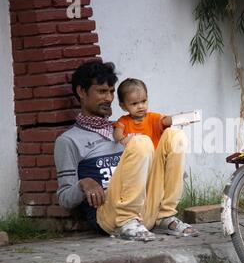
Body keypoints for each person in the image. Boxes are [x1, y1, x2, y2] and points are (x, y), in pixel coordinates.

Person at [54, 60, 198, 242]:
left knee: (174, 136)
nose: (108, 98)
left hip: (145, 211)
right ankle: (127, 220)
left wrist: (166, 163)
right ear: (82, 92)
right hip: (110, 215)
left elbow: (169, 171)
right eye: (101, 91)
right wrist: (83, 183)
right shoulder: (68, 141)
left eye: (111, 92)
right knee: (140, 141)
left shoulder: (123, 128)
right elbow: (64, 198)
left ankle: (165, 217)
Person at [112, 78, 171, 148]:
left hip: (156, 157)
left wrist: (170, 120)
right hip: (136, 158)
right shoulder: (123, 121)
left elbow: (166, 121)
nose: (140, 106)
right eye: (134, 104)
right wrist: (122, 139)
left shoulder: (154, 117)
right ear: (123, 106)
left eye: (143, 101)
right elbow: (116, 134)